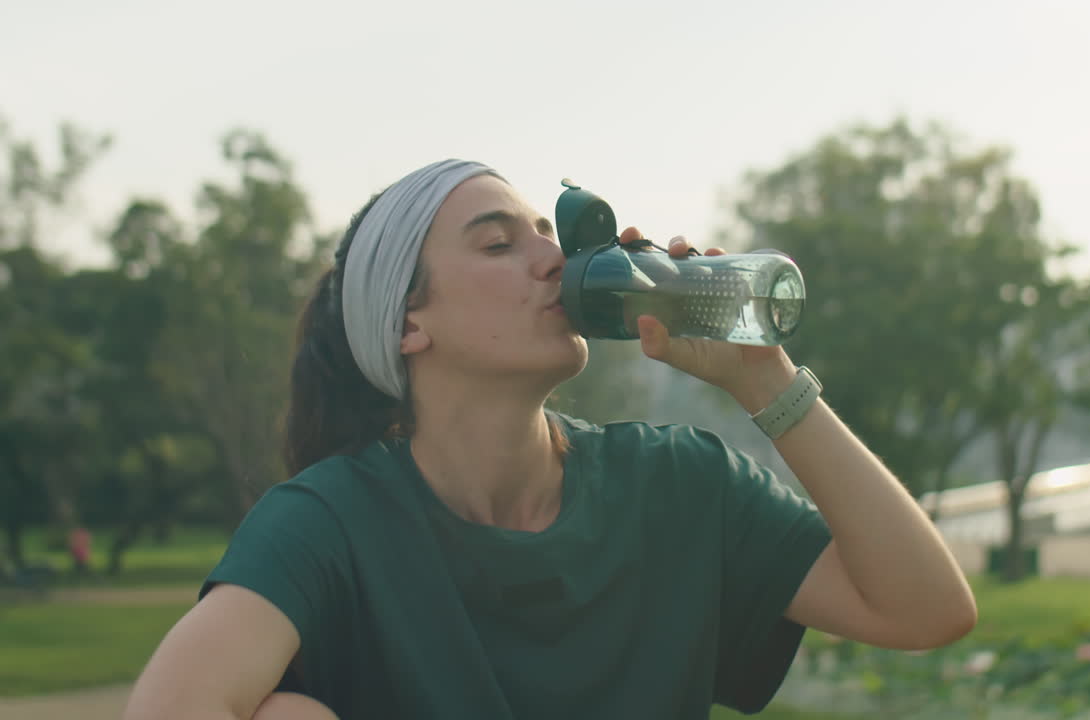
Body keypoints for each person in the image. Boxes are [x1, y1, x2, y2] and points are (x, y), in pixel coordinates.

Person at [122, 160, 976, 720]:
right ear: (409, 322)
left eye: (548, 237)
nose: (551, 262)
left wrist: (767, 381)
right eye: (499, 243)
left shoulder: (675, 483)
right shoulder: (332, 523)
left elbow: (926, 609)